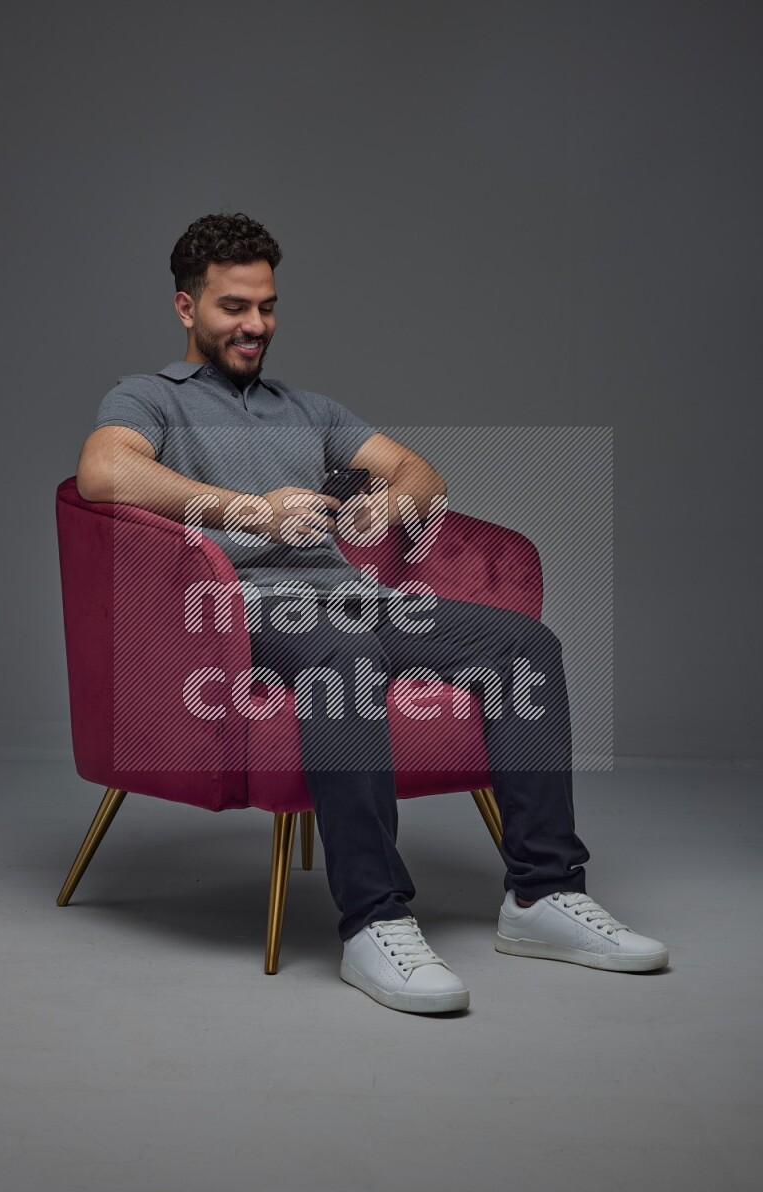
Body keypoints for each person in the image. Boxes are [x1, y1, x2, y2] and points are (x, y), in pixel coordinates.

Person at [76, 211, 669, 1015]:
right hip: (244, 607)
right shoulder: (148, 397)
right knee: (344, 655)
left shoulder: (307, 407)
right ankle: (375, 919)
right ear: (187, 307)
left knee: (525, 646)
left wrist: (387, 506)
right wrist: (250, 511)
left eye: (267, 306)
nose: (256, 325)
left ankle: (543, 894)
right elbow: (103, 472)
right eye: (234, 306)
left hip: (358, 599)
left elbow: (422, 473)